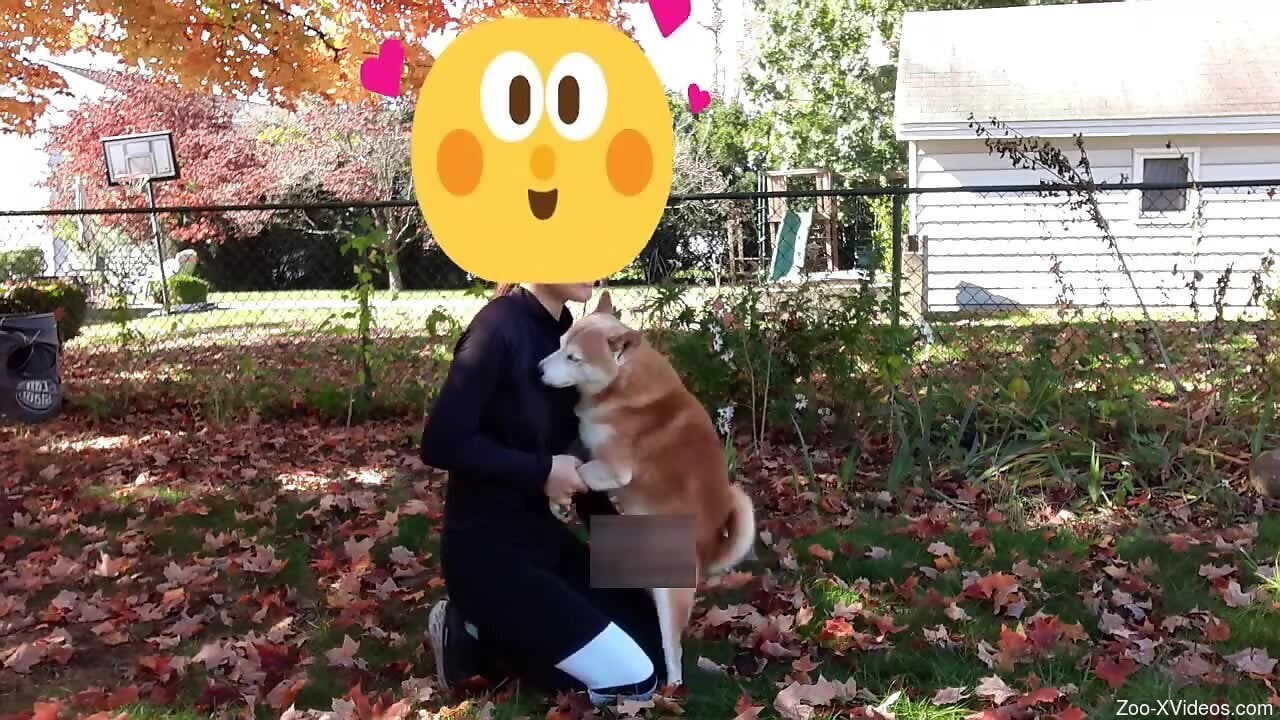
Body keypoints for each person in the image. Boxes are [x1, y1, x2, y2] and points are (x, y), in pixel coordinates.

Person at [422, 282, 666, 705]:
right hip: (486, 556)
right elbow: (441, 442)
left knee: (662, 653)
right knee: (634, 684)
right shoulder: (496, 327)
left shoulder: (568, 331)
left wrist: (640, 564)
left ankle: (489, 636)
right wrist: (542, 469)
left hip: (541, 542)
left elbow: (578, 459)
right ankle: (472, 640)